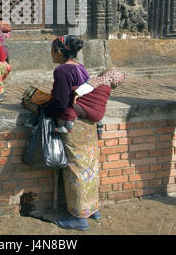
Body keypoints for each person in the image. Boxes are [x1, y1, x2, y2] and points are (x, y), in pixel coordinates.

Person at [41, 35, 101, 231]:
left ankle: (79, 218)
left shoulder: (62, 70)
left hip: (71, 123)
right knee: (89, 165)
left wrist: (42, 109)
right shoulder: (80, 67)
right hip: (86, 122)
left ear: (59, 52)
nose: (51, 54)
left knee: (74, 168)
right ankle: (92, 209)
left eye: (52, 50)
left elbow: (60, 102)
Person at [55, 68, 126, 133]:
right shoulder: (108, 88)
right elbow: (96, 99)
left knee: (71, 108)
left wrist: (77, 93)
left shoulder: (99, 79)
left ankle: (68, 127)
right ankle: (99, 128)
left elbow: (87, 87)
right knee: (99, 107)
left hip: (89, 112)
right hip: (99, 115)